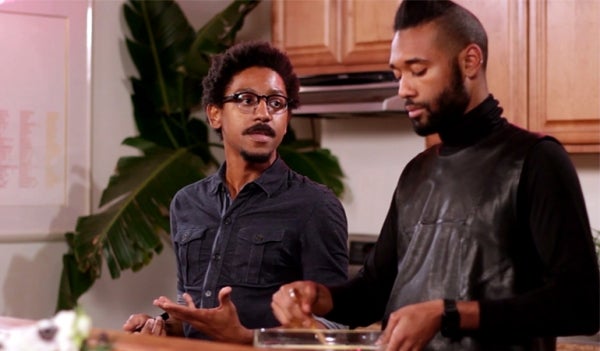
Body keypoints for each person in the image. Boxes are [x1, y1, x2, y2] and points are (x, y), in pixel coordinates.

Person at [270, 1, 600, 350]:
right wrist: (319, 297)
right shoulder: (416, 172)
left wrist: (448, 315)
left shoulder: (536, 159)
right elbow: (372, 293)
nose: (403, 89)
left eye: (418, 70)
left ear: (470, 61)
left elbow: (580, 305)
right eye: (398, 74)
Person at [122, 41, 349, 344]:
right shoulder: (187, 203)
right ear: (215, 114)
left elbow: (338, 328)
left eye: (276, 103)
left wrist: (247, 338)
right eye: (246, 99)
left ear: (286, 120)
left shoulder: (315, 206)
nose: (263, 113)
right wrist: (163, 324)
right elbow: (195, 311)